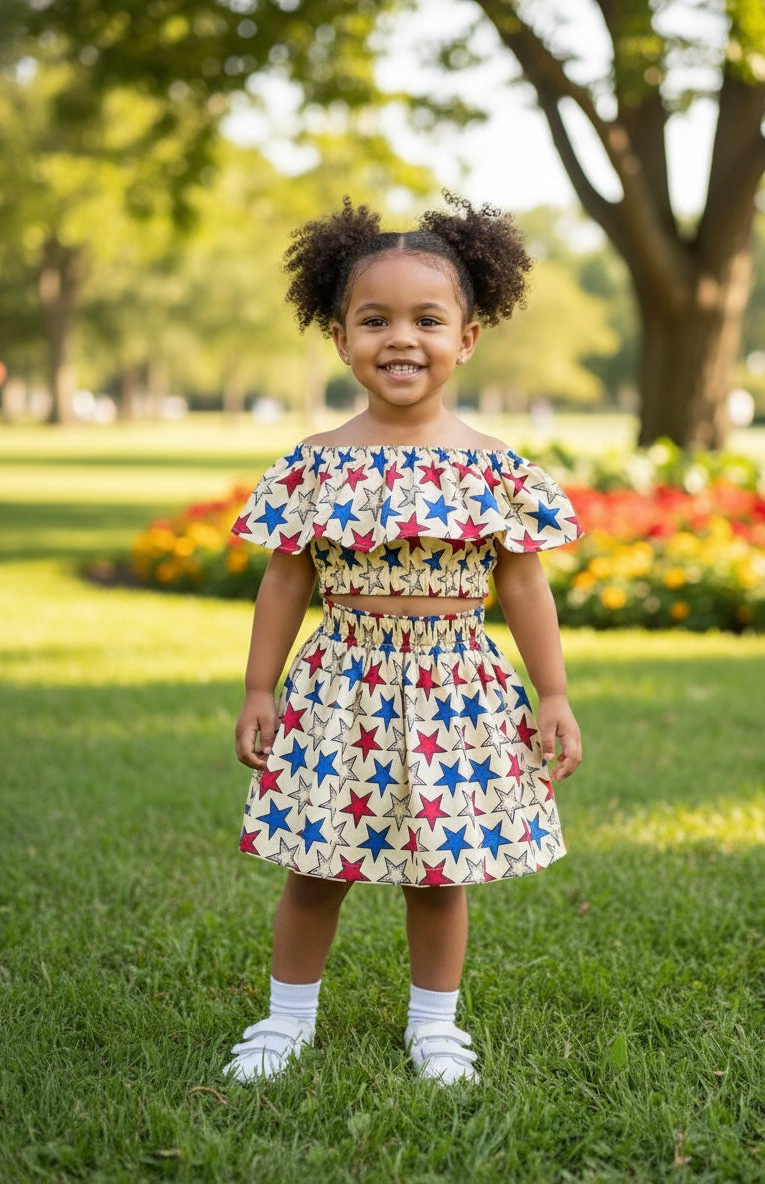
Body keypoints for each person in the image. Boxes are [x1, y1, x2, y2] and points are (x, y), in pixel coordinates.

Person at [224, 193, 583, 1086]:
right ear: (339, 336)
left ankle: (435, 1027)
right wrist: (259, 690)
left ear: (465, 338)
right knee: (316, 864)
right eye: (373, 318)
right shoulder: (315, 461)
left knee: (438, 871)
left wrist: (555, 695)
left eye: (427, 319)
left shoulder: (494, 468)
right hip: (339, 681)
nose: (400, 339)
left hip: (458, 685)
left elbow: (523, 583)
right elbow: (285, 579)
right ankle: (285, 1020)